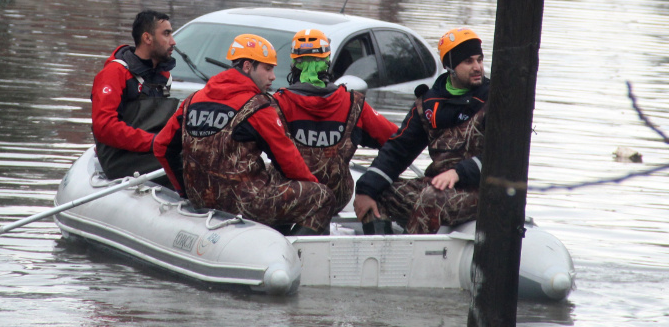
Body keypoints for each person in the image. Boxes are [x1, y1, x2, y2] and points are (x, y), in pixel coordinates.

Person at [154, 33, 335, 234]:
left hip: (200, 199)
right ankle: (291, 252)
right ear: (248, 67)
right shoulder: (257, 106)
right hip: (243, 204)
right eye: (267, 68)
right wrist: (313, 186)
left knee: (271, 172)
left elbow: (161, 146)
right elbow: (289, 162)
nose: (273, 76)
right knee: (322, 196)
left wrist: (185, 192)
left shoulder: (193, 100)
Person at [352, 27, 489, 233]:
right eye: (468, 61)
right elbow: (399, 148)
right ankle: (381, 251)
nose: (477, 67)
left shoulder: (494, 99)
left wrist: (459, 172)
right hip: (437, 186)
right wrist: (366, 188)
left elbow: (504, 156)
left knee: (431, 197)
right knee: (377, 192)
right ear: (450, 66)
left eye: (480, 59)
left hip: (481, 191)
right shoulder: (428, 103)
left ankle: (409, 258)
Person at [273, 28, 397, 212]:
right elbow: (396, 139)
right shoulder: (353, 103)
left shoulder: (277, 103)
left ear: (294, 63)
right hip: (337, 196)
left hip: (290, 195)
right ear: (327, 62)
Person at [90, 10, 178, 181]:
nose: (173, 41)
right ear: (147, 38)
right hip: (118, 159)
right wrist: (154, 142)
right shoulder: (114, 73)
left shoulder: (164, 76)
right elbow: (104, 127)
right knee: (183, 163)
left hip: (147, 152)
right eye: (166, 34)